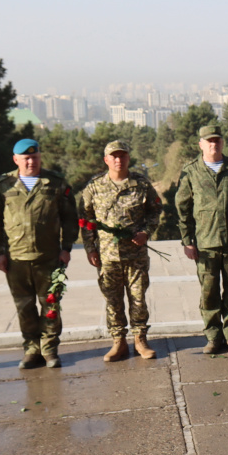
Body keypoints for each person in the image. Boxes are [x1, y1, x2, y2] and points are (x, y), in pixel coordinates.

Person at [0, 139, 78, 369]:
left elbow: (70, 218)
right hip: (16, 260)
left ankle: (49, 349)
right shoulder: (3, 185)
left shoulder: (55, 183)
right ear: (15, 159)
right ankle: (31, 349)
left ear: (40, 157)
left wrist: (66, 248)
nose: (31, 161)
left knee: (50, 307)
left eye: (35, 157)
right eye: (26, 158)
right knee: (24, 307)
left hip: (48, 258)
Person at [175, 124, 228, 354]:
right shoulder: (191, 171)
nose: (213, 144)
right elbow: (183, 207)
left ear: (222, 143)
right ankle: (213, 337)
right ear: (201, 144)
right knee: (209, 292)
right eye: (209, 141)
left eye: (217, 140)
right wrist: (187, 241)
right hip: (205, 245)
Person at [79, 140, 162, 361]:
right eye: (114, 156)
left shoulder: (141, 184)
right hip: (107, 256)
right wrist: (90, 248)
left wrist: (146, 232)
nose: (118, 160)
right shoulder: (94, 186)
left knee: (138, 299)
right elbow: (85, 220)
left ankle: (140, 340)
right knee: (113, 300)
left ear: (128, 158)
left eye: (122, 155)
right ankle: (118, 342)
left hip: (135, 255)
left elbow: (155, 211)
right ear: (106, 160)